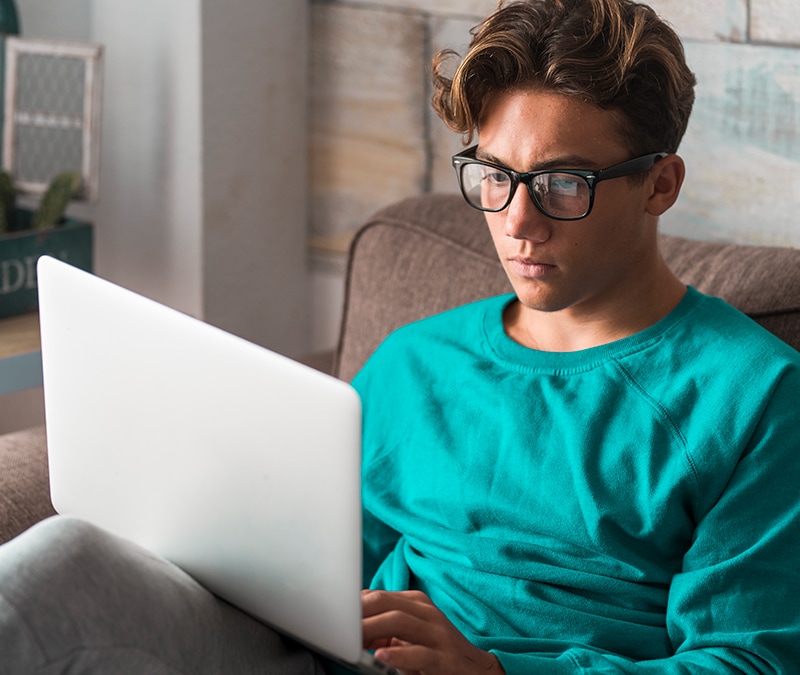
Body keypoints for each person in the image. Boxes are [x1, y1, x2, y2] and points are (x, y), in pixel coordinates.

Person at [2, 0, 799, 672]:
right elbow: (304, 565)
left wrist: (493, 669)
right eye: (494, 174)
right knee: (65, 559)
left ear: (660, 182)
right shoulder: (418, 362)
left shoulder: (752, 394)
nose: (516, 222)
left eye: (562, 183)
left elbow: (742, 660)